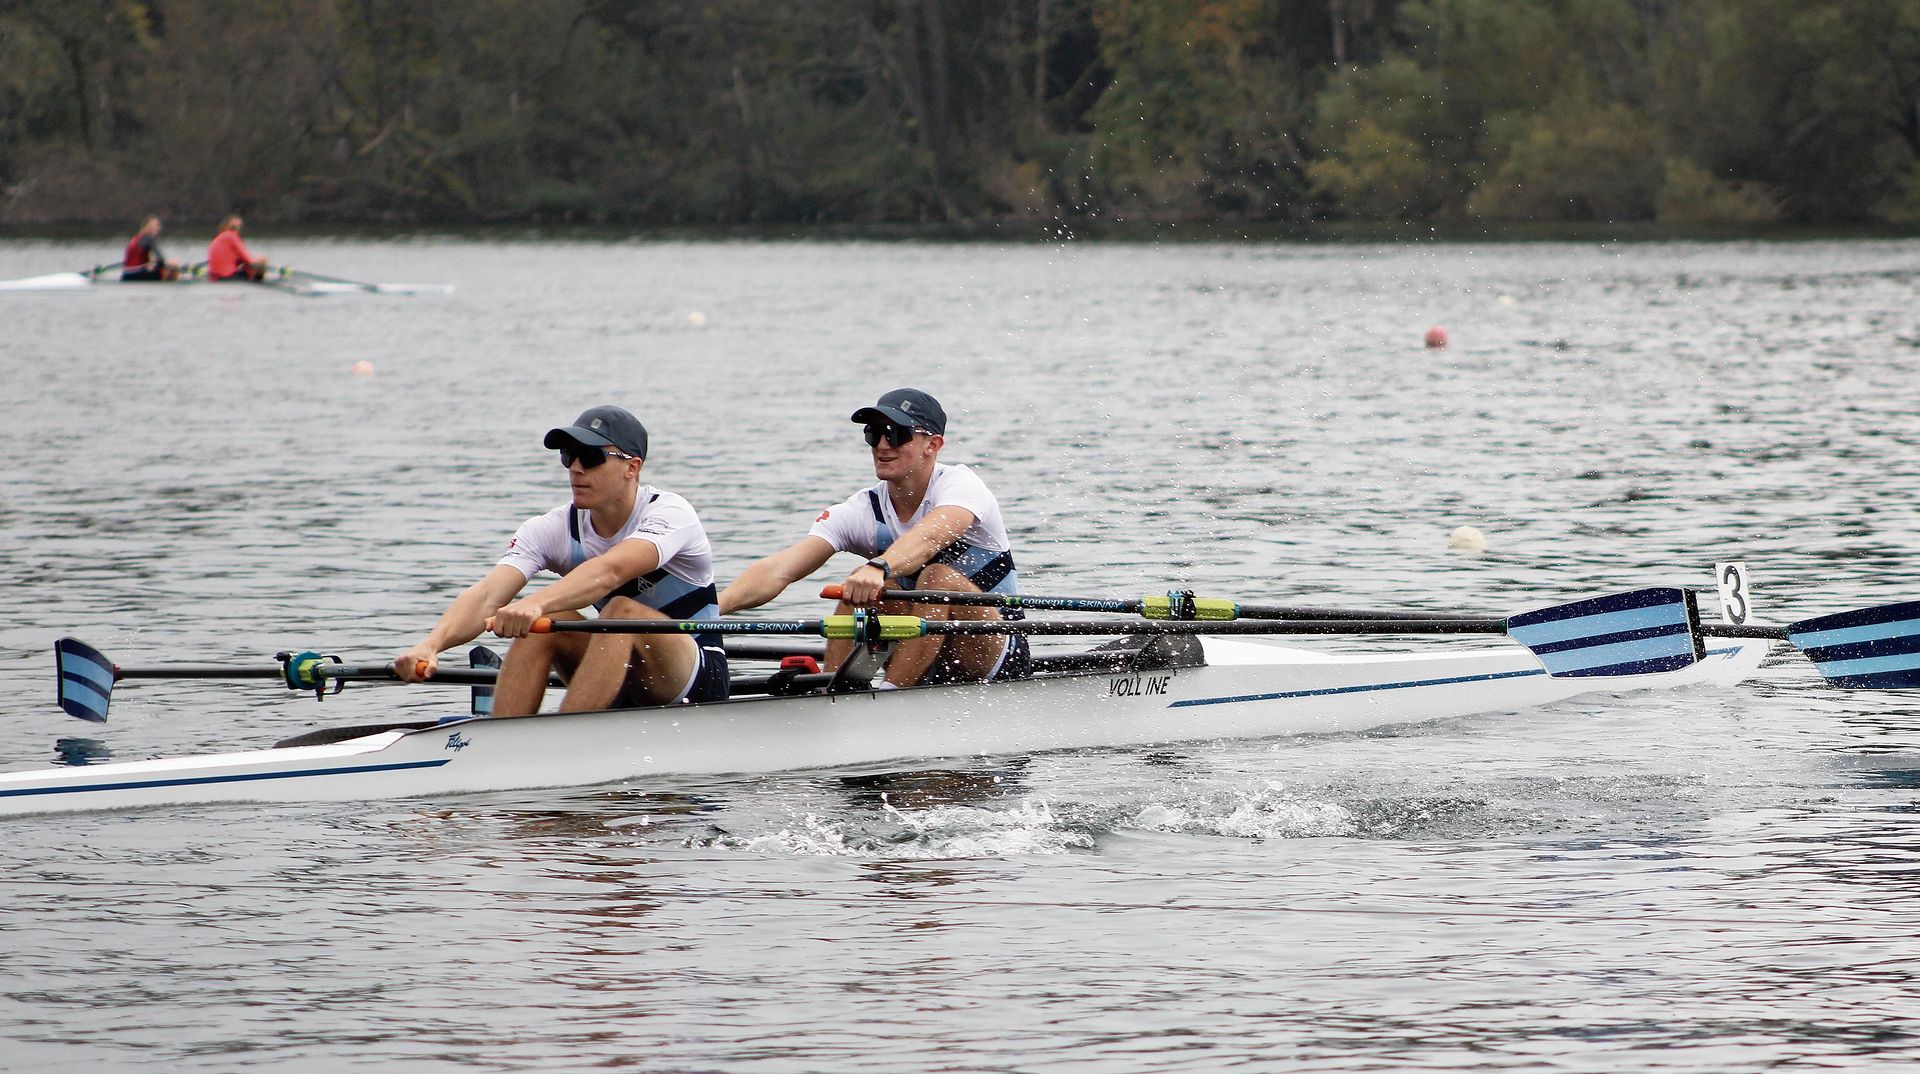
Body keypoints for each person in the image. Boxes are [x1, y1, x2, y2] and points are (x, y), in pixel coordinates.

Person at [394, 406, 728, 715]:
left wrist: (535, 604)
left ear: (632, 467)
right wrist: (431, 644)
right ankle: (502, 743)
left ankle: (564, 741)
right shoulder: (550, 528)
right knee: (548, 623)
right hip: (617, 669)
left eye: (591, 457)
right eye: (569, 456)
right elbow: (486, 596)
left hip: (696, 674)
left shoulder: (669, 512)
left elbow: (612, 571)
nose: (576, 468)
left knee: (619, 611)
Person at [719, 388, 1030, 688]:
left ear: (932, 445)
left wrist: (880, 566)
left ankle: (890, 696)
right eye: (874, 433)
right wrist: (710, 609)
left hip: (995, 647)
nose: (882, 445)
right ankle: (835, 695)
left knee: (937, 578)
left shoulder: (961, 486)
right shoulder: (862, 510)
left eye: (897, 434)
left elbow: (930, 538)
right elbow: (779, 569)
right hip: (923, 646)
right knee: (856, 588)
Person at [206, 215, 267, 281]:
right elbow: (249, 260)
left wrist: (241, 261)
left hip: (214, 276)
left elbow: (235, 260)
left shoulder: (218, 238)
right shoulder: (232, 236)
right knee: (262, 259)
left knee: (248, 266)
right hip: (228, 276)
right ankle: (259, 284)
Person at [120, 217, 180, 281]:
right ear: (146, 227)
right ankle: (173, 283)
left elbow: (137, 259)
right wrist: (174, 264)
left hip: (126, 274)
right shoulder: (148, 238)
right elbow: (161, 260)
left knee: (157, 265)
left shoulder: (135, 238)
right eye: (155, 226)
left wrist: (153, 262)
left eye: (158, 226)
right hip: (138, 274)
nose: (158, 228)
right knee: (172, 264)